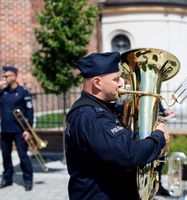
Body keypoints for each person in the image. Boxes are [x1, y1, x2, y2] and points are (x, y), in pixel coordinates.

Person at [65, 52, 169, 200]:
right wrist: (159, 138)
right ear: (97, 83)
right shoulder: (91, 116)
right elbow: (128, 155)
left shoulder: (101, 110)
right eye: (116, 79)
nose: (121, 83)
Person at [0, 66, 34, 191]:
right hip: (5, 130)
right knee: (6, 156)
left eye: (6, 76)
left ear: (14, 76)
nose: (4, 78)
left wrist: (28, 130)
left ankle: (28, 180)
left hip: (20, 131)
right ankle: (7, 179)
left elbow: (30, 112)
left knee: (23, 156)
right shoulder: (2, 92)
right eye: (3, 76)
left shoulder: (23, 92)